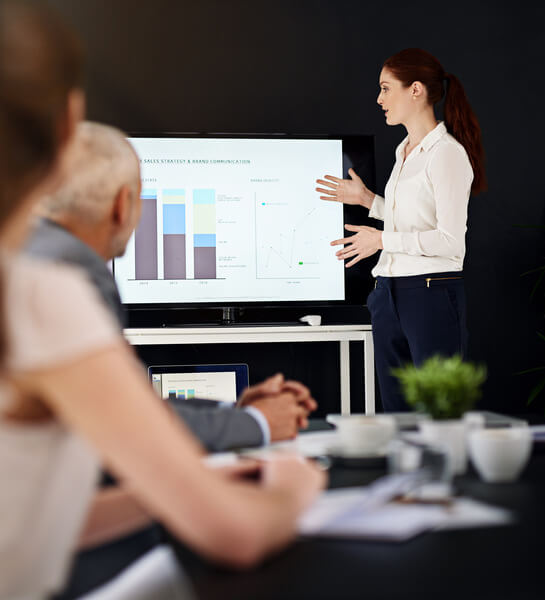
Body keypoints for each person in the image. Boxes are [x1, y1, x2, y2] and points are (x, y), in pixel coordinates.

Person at [0, 3, 325, 599]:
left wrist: (188, 483)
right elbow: (237, 537)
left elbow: (35, 516)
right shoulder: (41, 296)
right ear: (69, 123)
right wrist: (294, 491)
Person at [25, 120, 317, 452]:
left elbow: (119, 407)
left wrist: (236, 411)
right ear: (124, 205)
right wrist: (257, 423)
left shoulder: (36, 251)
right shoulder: (73, 270)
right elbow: (126, 421)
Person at [316, 48, 486, 412]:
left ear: (416, 90)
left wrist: (380, 239)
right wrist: (368, 201)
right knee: (397, 413)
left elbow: (451, 242)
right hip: (388, 295)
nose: (379, 99)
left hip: (430, 295)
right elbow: (413, 217)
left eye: (386, 88)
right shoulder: (404, 150)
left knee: (438, 412)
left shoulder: (447, 155)